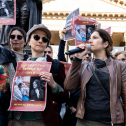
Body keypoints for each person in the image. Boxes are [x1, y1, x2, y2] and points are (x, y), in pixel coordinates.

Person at [64, 29, 126, 126]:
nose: (90, 41)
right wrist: (77, 60)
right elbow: (68, 87)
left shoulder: (120, 66)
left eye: (95, 38)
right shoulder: (84, 66)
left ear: (105, 44)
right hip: (84, 121)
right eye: (90, 38)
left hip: (110, 121)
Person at [11, 24, 68, 126]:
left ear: (47, 44)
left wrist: (54, 85)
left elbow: (65, 97)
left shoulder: (56, 65)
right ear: (28, 41)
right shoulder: (20, 65)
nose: (40, 41)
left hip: (43, 121)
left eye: (44, 39)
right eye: (36, 37)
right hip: (19, 120)